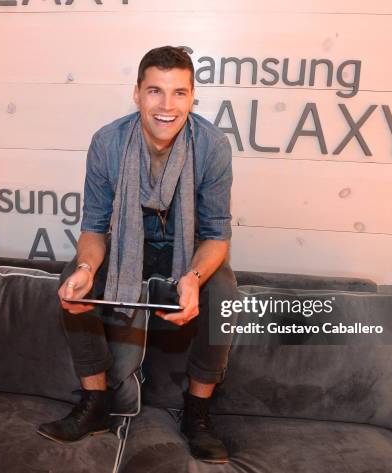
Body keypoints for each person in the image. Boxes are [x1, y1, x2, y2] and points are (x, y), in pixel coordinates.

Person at [37, 46, 237, 464]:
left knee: (223, 291)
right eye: (155, 92)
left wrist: (193, 278)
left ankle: (197, 412)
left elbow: (217, 236)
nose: (167, 106)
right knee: (71, 276)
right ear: (137, 94)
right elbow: (94, 227)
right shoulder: (108, 143)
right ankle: (96, 403)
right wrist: (88, 267)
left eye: (179, 93)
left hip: (187, 255)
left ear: (192, 97)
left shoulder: (213, 146)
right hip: (127, 250)